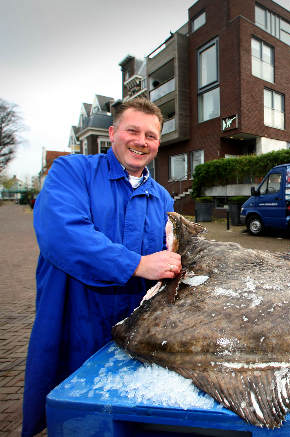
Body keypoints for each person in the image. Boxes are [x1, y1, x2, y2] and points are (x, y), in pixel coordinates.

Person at [22, 98, 182, 437]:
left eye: (151, 136)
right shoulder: (72, 171)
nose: (142, 141)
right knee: (77, 412)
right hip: (74, 313)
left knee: (128, 415)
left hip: (136, 323)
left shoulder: (163, 199)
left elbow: (169, 257)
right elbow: (62, 233)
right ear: (112, 133)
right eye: (133, 131)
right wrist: (137, 264)